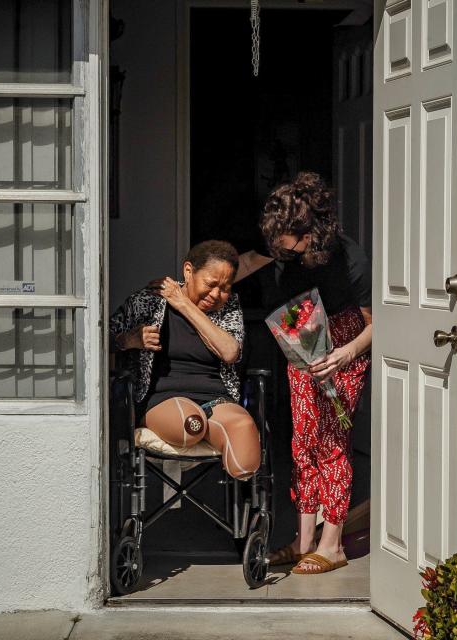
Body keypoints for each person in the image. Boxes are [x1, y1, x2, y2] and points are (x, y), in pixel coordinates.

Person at [259, 171, 372, 575]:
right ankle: (303, 539)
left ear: (311, 231)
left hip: (343, 343)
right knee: (303, 439)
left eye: (286, 240)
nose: (279, 248)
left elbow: (377, 323)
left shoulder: (350, 259)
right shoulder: (286, 252)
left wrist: (345, 354)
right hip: (303, 338)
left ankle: (332, 542)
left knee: (332, 441)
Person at [109, 240, 260, 479]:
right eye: (210, 284)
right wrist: (129, 341)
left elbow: (230, 352)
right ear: (188, 271)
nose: (215, 294)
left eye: (224, 287)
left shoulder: (229, 307)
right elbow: (101, 339)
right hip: (164, 399)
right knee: (190, 423)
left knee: (245, 438)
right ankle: (203, 428)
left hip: (217, 400)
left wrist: (183, 303)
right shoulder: (148, 301)